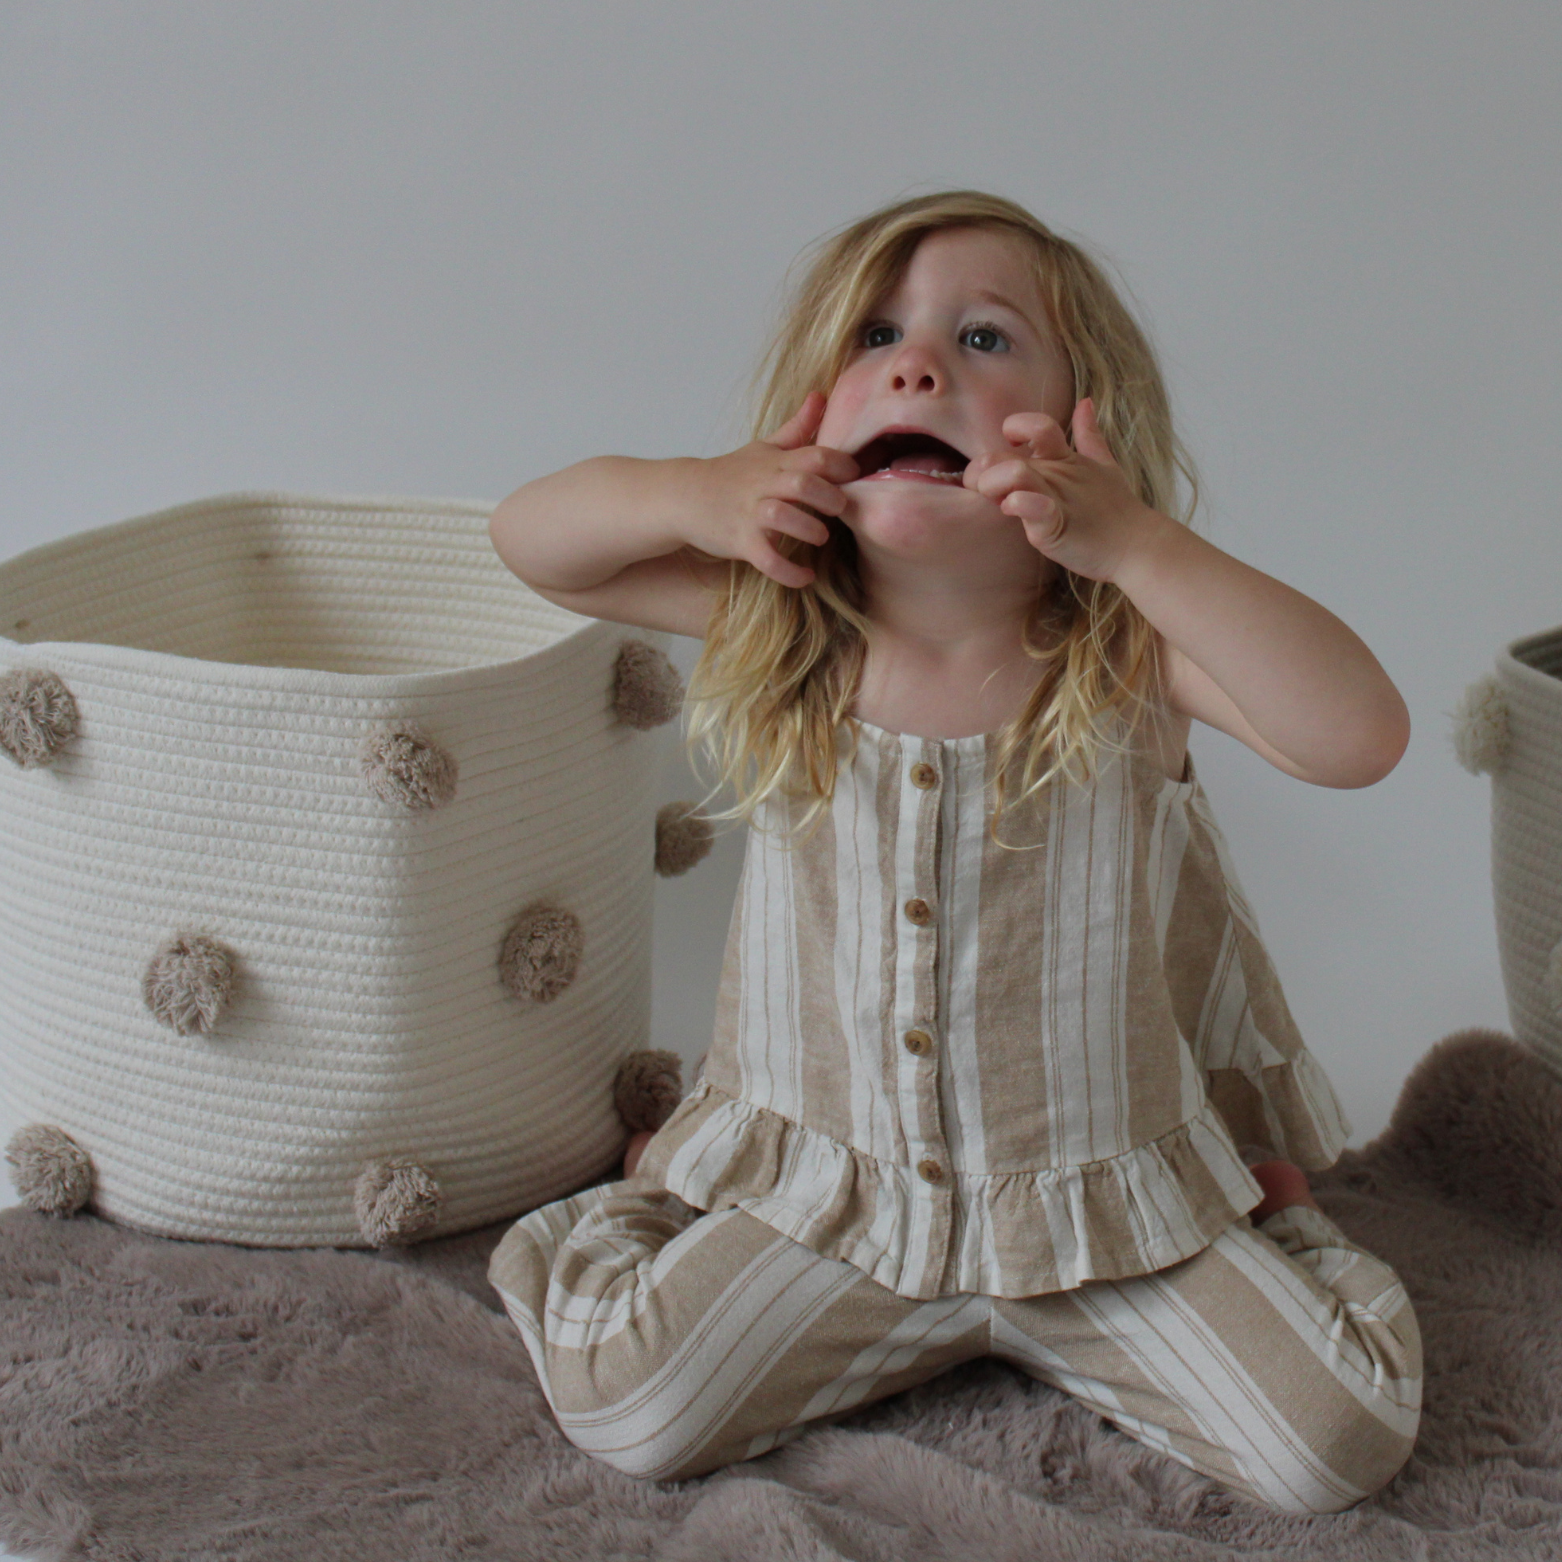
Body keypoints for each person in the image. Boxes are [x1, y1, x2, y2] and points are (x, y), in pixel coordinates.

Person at [485, 190, 1421, 1513]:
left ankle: (1272, 1217)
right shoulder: (781, 626)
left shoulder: (1126, 654)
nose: (918, 362)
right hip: (837, 1208)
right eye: (875, 334)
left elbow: (1358, 734)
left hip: (1101, 1220)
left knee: (1330, 1439)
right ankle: (673, 1185)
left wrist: (1140, 543)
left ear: (1088, 422)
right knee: (633, 1405)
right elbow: (531, 544)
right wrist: (695, 493)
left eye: (985, 340)